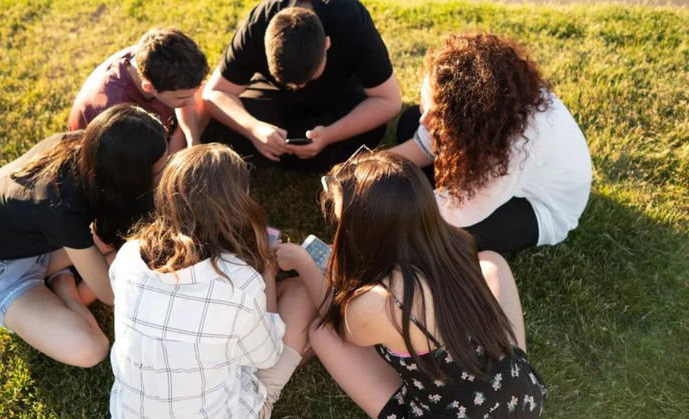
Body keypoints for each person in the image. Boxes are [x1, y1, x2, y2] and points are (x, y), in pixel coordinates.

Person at [276, 151, 546, 418]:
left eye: (344, 224)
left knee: (322, 333)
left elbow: (342, 326)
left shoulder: (382, 302)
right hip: (521, 395)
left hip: (457, 412)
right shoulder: (454, 245)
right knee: (492, 261)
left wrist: (303, 263)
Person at [108, 144, 317, 418]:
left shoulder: (129, 255)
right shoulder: (240, 282)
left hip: (129, 413)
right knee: (300, 294)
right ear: (238, 204)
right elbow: (265, 357)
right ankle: (309, 347)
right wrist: (266, 271)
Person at [0, 104, 169, 368]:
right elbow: (109, 294)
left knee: (137, 247)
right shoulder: (60, 203)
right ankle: (64, 285)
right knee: (92, 349)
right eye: (159, 170)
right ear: (130, 175)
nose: (165, 174)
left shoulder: (94, 147)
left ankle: (63, 275)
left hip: (39, 241)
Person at [391, 31, 592, 253]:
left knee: (448, 240)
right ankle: (427, 189)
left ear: (469, 117)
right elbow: (425, 141)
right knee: (410, 122)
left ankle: (423, 195)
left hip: (536, 205)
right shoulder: (487, 117)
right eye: (425, 102)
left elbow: (461, 210)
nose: (425, 119)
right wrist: (371, 165)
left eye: (437, 114)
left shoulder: (519, 147)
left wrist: (383, 201)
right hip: (499, 167)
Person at [202, 0, 401, 171]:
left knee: (368, 129)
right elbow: (215, 92)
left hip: (339, 93)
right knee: (229, 124)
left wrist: (330, 135)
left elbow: (389, 100)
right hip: (276, 97)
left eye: (310, 76)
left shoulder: (351, 21)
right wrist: (254, 129)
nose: (302, 86)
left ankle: (296, 151)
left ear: (327, 44)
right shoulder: (258, 23)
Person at [69, 27, 209, 153]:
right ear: (148, 87)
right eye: (181, 97)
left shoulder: (155, 57)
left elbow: (186, 94)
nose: (192, 101)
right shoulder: (116, 110)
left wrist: (193, 140)